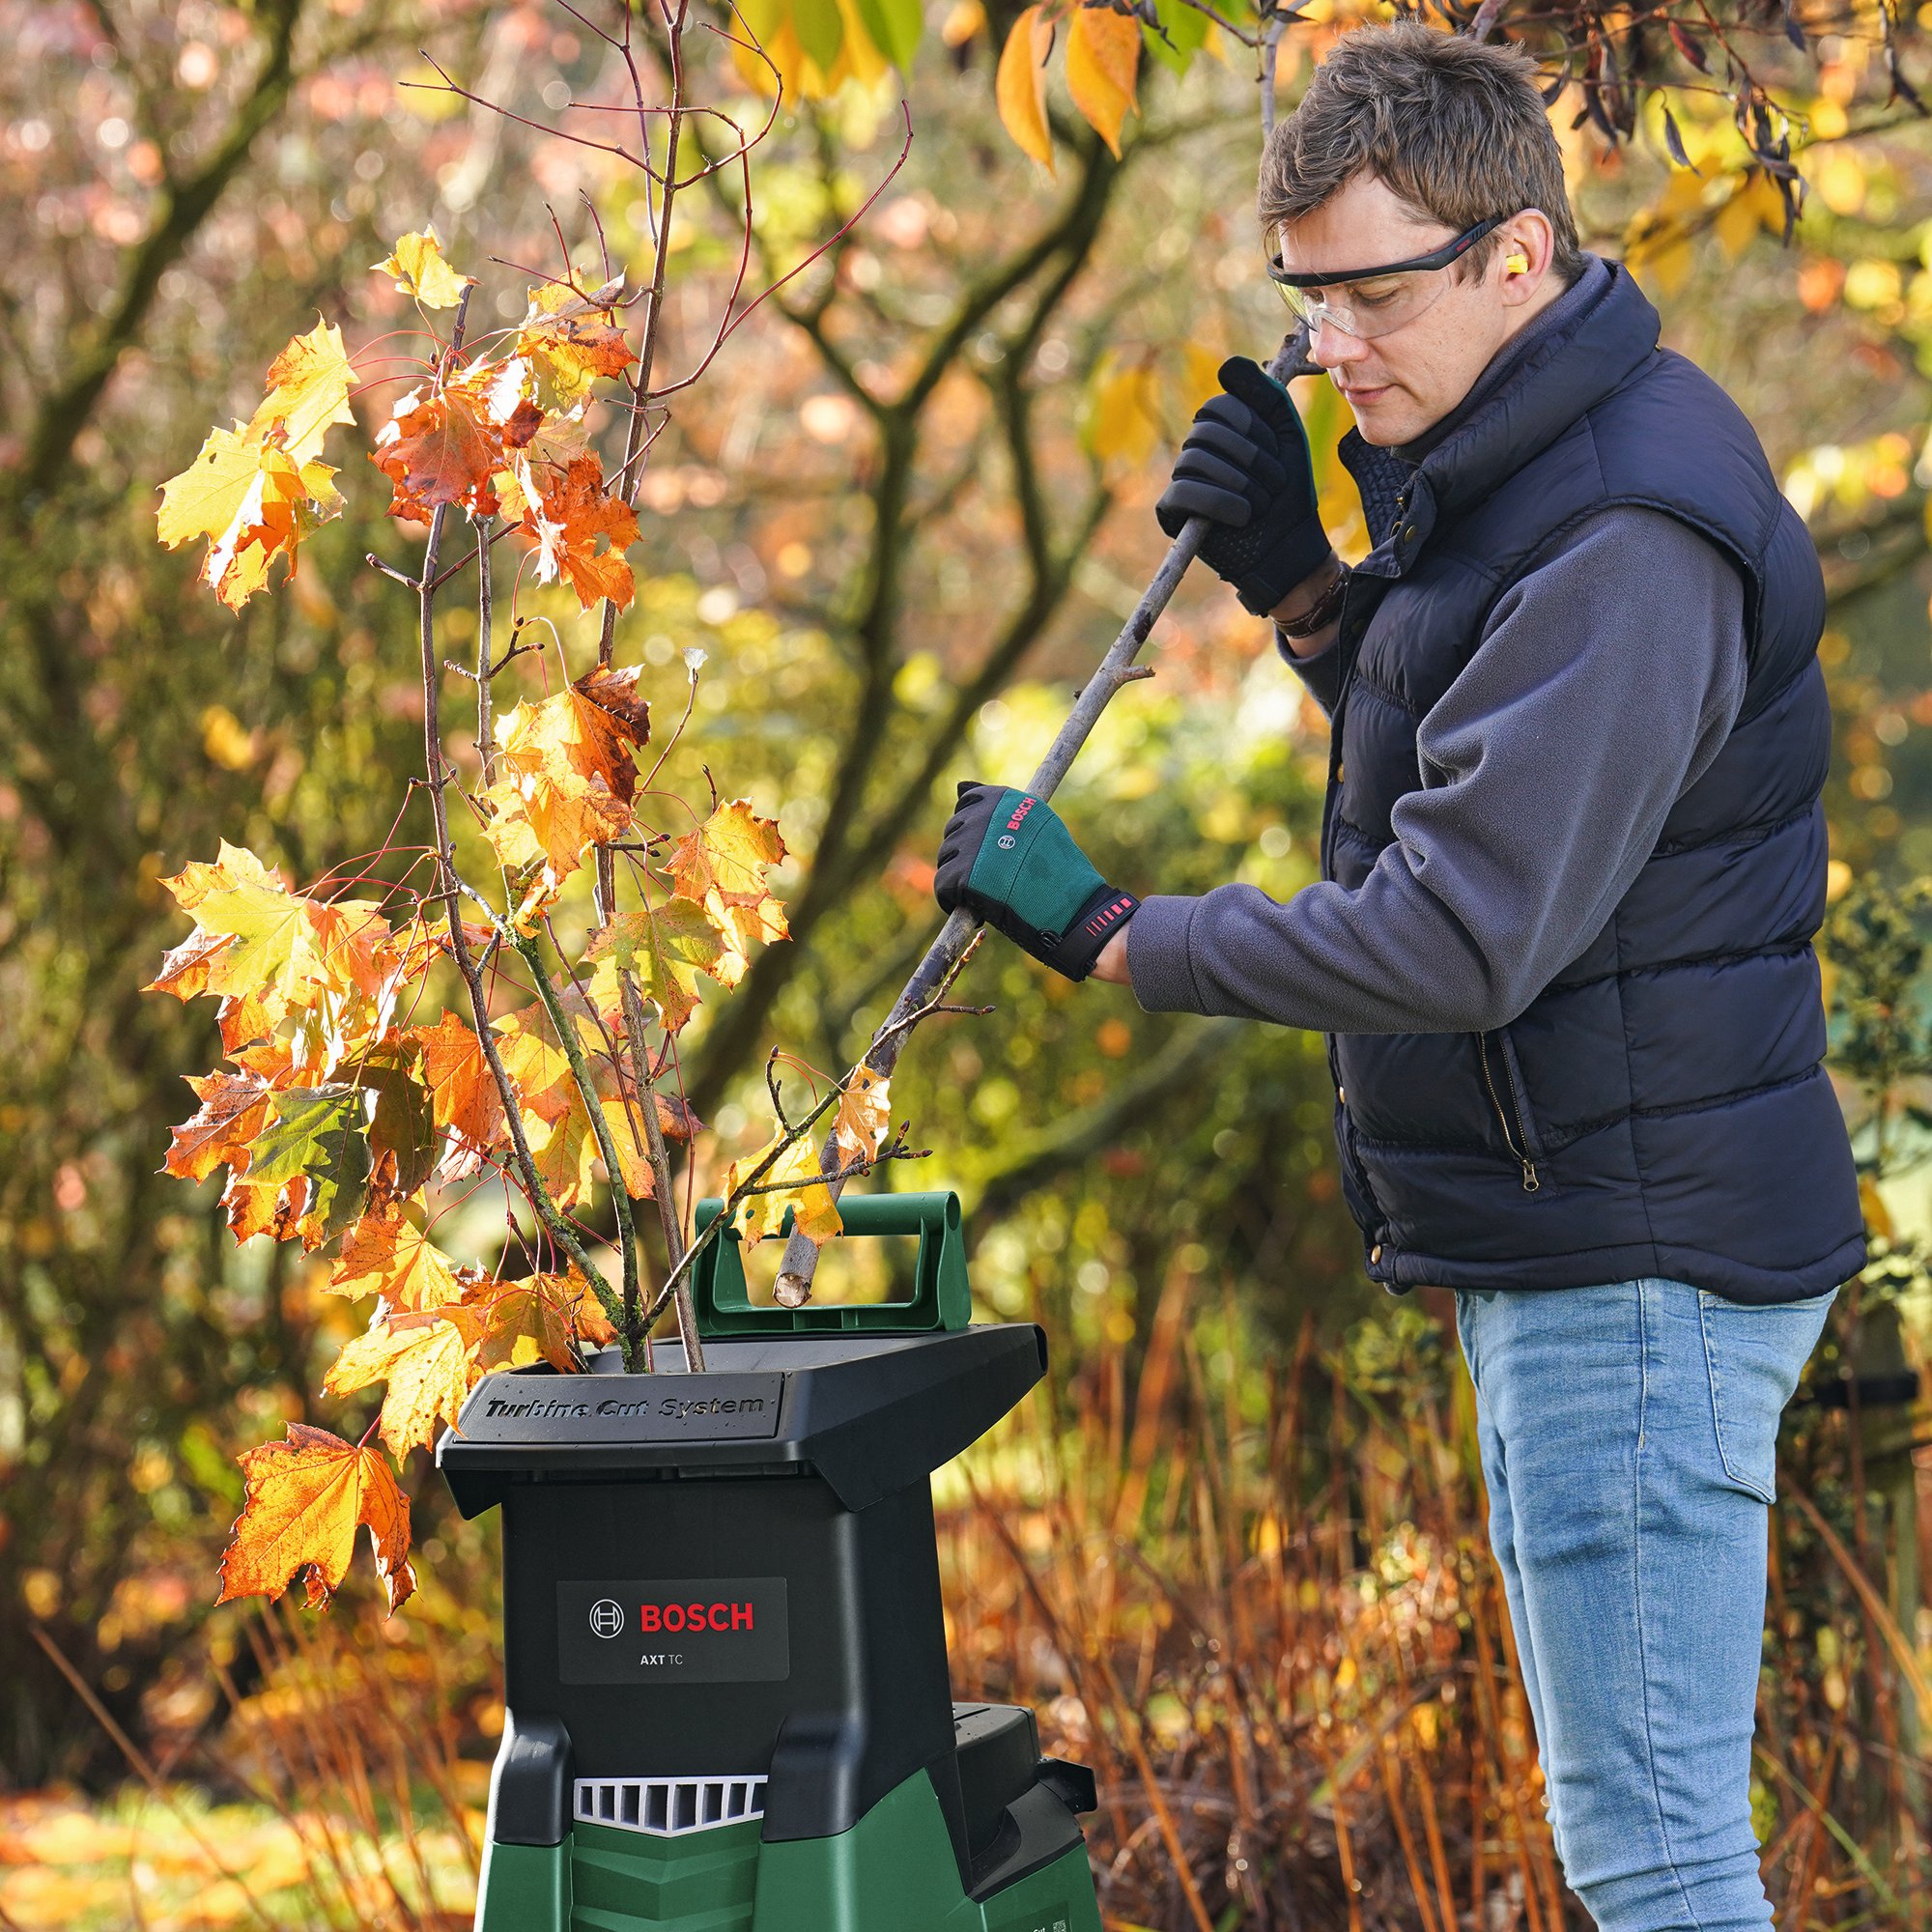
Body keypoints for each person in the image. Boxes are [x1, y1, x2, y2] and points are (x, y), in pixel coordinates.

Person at [930, 21, 1863, 1932]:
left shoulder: (1619, 528)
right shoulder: (1517, 467)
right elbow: (1482, 756)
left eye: (1368, 298)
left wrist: (1117, 935)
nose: (1332, 350)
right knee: (1645, 1844)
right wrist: (1301, 582)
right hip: (1593, 1245)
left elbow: (1458, 929)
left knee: (1663, 1859)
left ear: (1514, 255)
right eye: (1304, 306)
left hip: (1640, 1265)